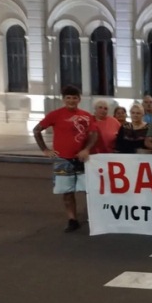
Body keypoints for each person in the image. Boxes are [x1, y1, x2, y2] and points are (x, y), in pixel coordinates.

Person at [32, 85, 97, 232]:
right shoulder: (55, 114)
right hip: (63, 159)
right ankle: (72, 219)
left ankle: (93, 216)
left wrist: (86, 149)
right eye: (68, 98)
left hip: (81, 159)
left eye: (74, 98)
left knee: (89, 190)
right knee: (67, 192)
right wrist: (45, 150)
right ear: (64, 99)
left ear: (79, 99)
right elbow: (37, 130)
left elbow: (93, 134)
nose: (71, 100)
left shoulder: (87, 116)